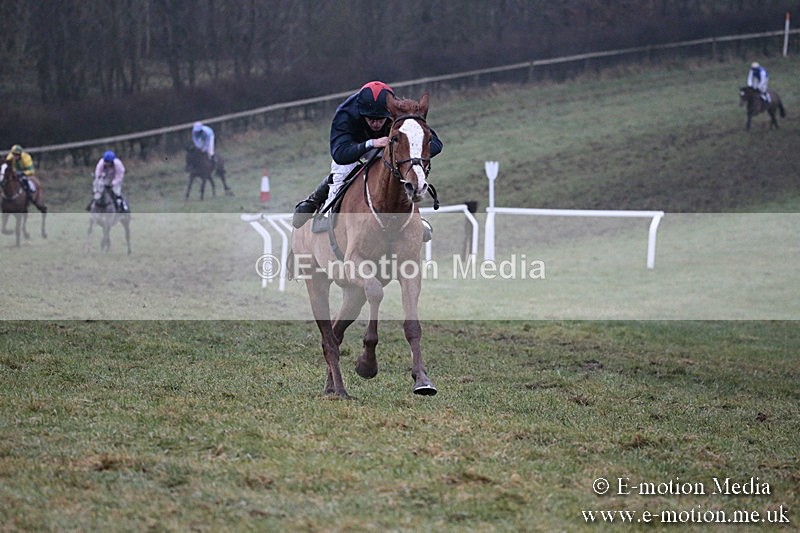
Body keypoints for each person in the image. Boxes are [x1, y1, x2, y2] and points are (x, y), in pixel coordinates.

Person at [293, 81, 444, 232]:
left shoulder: (399, 111)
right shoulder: (345, 113)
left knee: (403, 173)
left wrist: (408, 153)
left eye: (380, 119)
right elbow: (340, 154)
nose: (376, 124)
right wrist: (371, 143)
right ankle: (324, 209)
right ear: (361, 112)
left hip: (389, 148)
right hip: (352, 147)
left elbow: (436, 144)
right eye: (370, 119)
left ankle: (414, 220)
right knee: (342, 172)